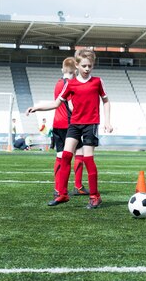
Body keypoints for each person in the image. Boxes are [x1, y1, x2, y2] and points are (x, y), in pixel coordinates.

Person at [26, 49, 112, 209]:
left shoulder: (98, 82)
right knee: (65, 156)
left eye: (90, 66)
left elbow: (106, 101)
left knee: (88, 159)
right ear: (77, 65)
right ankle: (63, 194)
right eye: (84, 66)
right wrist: (36, 107)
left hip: (90, 125)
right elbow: (56, 103)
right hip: (74, 124)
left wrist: (107, 121)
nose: (87, 69)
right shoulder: (70, 84)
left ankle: (95, 196)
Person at [51, 57, 88, 196]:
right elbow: (72, 106)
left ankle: (57, 189)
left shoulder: (58, 82)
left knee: (60, 155)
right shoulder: (70, 84)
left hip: (57, 123)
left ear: (63, 69)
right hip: (69, 124)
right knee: (80, 153)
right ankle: (78, 186)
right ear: (76, 69)